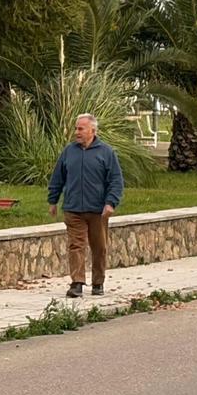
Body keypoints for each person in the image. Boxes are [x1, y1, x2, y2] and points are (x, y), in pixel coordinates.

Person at [47, 112, 124, 298]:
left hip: (98, 210)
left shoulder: (106, 152)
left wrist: (110, 203)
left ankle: (98, 282)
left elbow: (116, 180)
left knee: (99, 247)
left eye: (80, 128)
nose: (77, 132)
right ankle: (77, 283)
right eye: (76, 128)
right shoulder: (69, 151)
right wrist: (53, 200)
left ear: (92, 130)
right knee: (76, 245)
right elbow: (58, 177)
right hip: (73, 208)